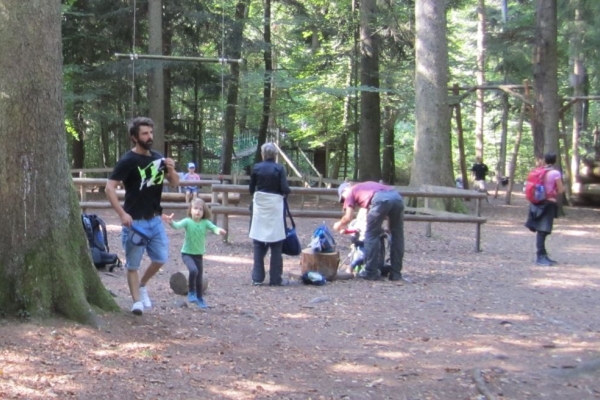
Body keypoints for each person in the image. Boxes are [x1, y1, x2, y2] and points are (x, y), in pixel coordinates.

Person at [105, 117, 180, 315]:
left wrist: (171, 169)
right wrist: (122, 214)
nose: (149, 137)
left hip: (155, 219)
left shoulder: (157, 159)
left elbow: (174, 183)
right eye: (144, 133)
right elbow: (109, 188)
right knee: (133, 265)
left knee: (160, 258)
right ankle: (136, 302)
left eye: (150, 133)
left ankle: (143, 285)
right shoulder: (128, 160)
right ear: (134, 137)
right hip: (135, 222)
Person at [334, 181, 405, 281]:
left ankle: (371, 272)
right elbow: (388, 202)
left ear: (345, 190)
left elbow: (348, 217)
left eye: (343, 198)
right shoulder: (368, 188)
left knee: (371, 235)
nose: (344, 201)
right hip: (397, 197)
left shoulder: (351, 191)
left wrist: (339, 224)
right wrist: (389, 228)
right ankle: (396, 273)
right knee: (397, 236)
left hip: (380, 200)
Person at [162, 198, 226, 308]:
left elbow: (213, 227)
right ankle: (191, 292)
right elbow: (177, 225)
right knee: (193, 270)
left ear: (204, 211)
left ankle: (200, 299)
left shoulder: (205, 223)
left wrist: (218, 231)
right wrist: (171, 222)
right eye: (195, 208)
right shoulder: (187, 221)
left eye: (200, 209)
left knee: (199, 277)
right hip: (187, 253)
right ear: (190, 210)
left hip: (198, 255)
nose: (198, 211)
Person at [249, 142, 291, 286]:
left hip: (260, 206)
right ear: (274, 155)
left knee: (258, 242)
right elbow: (285, 188)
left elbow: (251, 189)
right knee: (277, 243)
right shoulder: (279, 168)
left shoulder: (256, 168)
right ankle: (275, 279)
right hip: (275, 207)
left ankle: (257, 277)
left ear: (263, 154)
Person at [525, 152, 564, 266]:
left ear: (544, 160)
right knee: (543, 231)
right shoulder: (555, 173)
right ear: (555, 161)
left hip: (537, 203)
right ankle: (540, 257)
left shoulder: (538, 171)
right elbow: (561, 190)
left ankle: (543, 255)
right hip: (548, 203)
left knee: (542, 231)